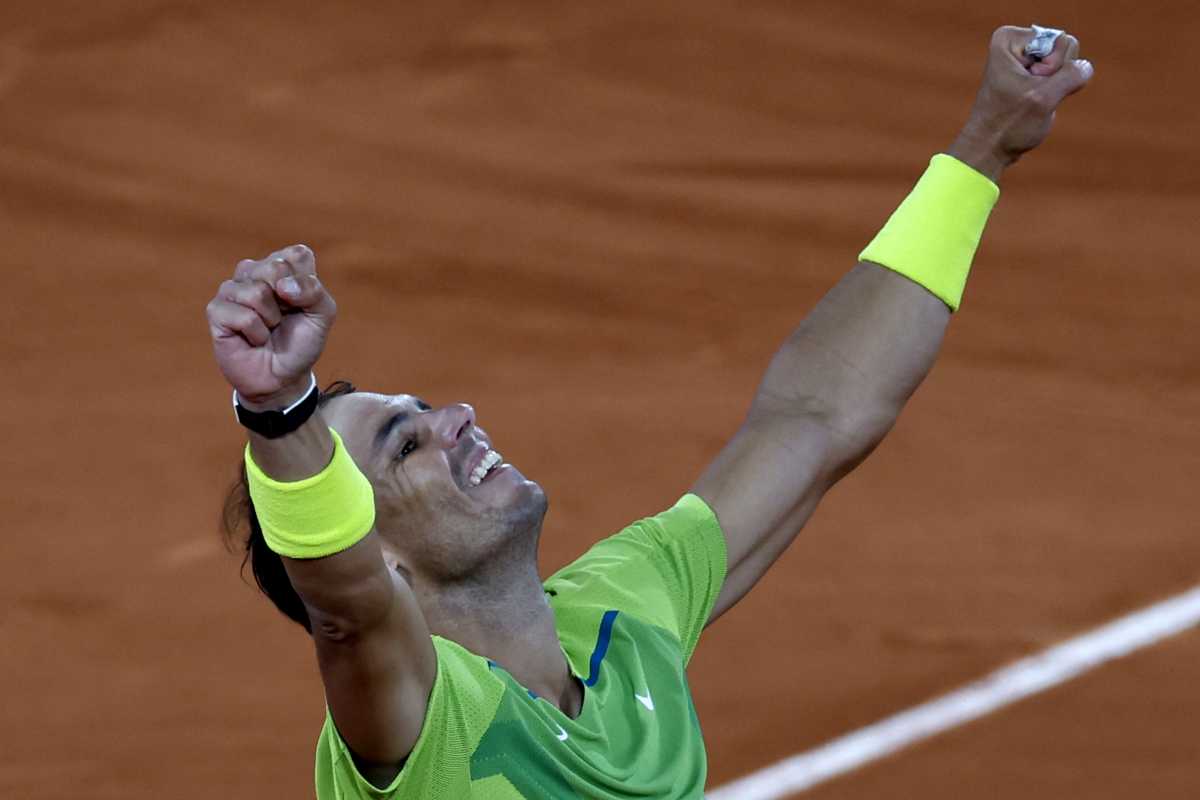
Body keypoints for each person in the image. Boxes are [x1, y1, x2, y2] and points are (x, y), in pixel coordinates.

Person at [207, 25, 1091, 799]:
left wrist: (981, 152)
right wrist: (279, 407)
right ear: (383, 562)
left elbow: (815, 418)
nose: (458, 419)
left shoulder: (622, 613)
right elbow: (347, 605)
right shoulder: (417, 724)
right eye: (406, 444)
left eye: (427, 408)